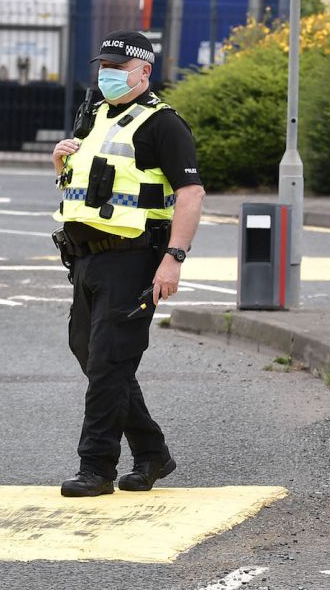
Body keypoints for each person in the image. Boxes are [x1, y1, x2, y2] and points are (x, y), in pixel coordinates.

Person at [51, 30, 205, 497]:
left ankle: (95, 467)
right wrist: (58, 162)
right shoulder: (94, 115)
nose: (109, 75)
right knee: (93, 356)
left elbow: (191, 194)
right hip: (85, 259)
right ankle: (152, 452)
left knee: (109, 363)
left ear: (144, 72)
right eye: (104, 67)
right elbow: (82, 185)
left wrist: (173, 260)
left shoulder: (163, 125)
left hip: (134, 258)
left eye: (118, 69)